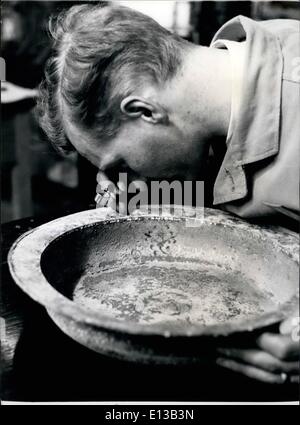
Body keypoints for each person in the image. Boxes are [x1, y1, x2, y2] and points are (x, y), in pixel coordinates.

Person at [37, 3, 299, 385]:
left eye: (121, 166)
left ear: (143, 110)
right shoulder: (230, 81)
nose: (123, 183)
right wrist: (154, 197)